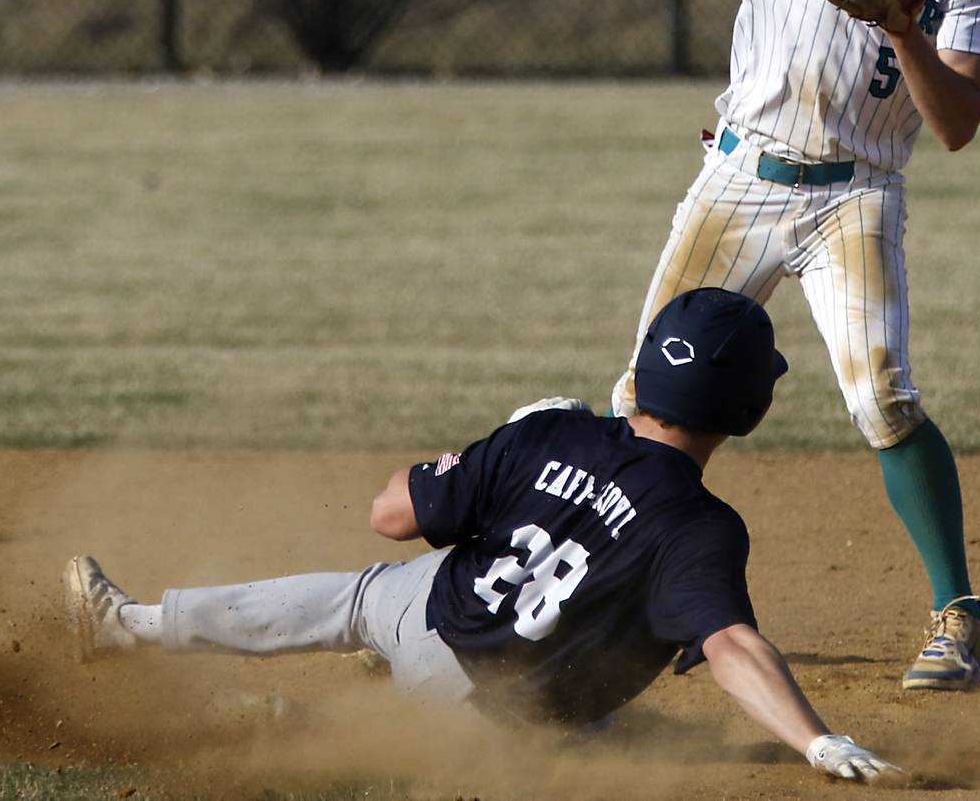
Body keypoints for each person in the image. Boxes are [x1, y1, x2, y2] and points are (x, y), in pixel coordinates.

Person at [498, 0, 980, 691]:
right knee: (642, 404)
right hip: (738, 182)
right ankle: (617, 599)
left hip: (854, 197)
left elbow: (956, 124)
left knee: (882, 396)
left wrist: (903, 24)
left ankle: (962, 617)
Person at [64, 288, 903, 784]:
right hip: (500, 726)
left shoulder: (550, 432)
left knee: (358, 596)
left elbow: (390, 514)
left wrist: (480, 451)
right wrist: (816, 738)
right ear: (748, 410)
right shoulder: (699, 527)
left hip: (425, 618)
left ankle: (129, 624)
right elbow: (729, 646)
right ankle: (283, 725)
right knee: (614, 743)